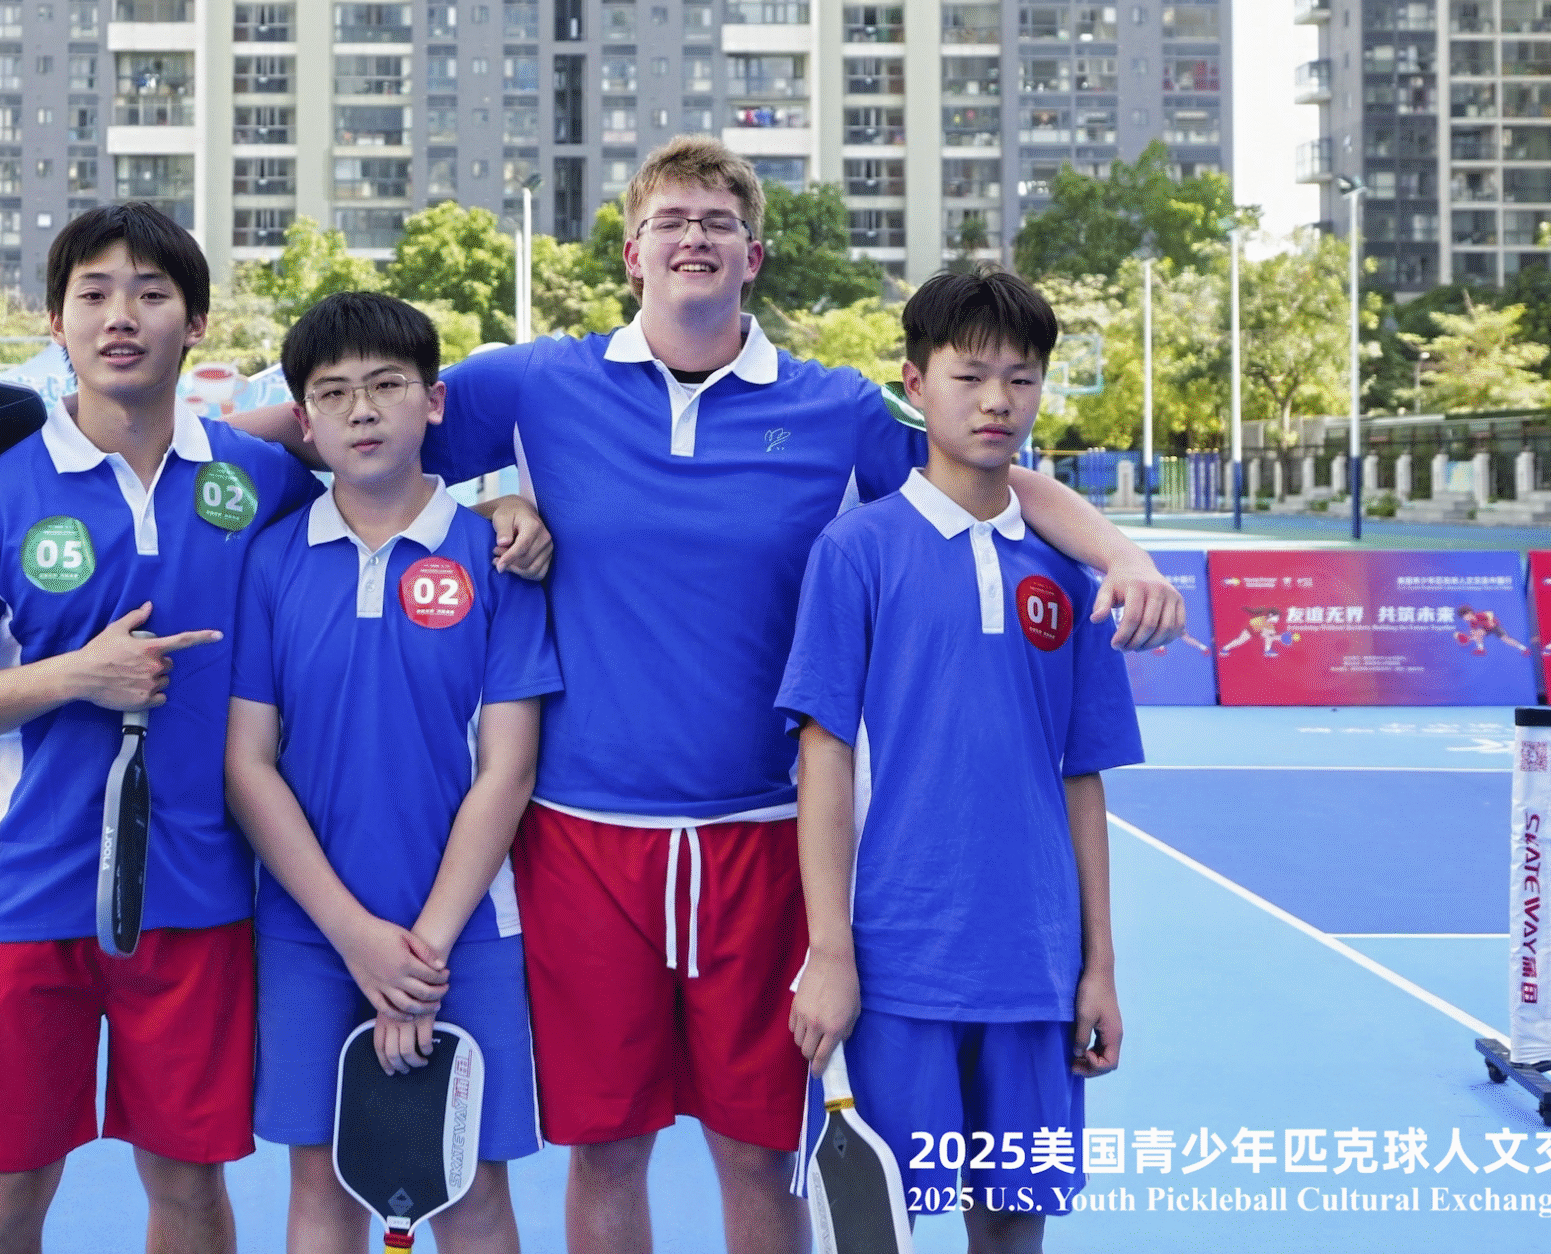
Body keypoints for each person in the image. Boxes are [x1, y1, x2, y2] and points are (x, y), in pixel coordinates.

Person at [232, 139, 1182, 1254]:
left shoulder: (830, 408)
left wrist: (1119, 552)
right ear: (631, 252)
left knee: (756, 1147)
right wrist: (469, 508)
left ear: (753, 255)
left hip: (761, 838)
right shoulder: (538, 384)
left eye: (718, 221)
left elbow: (985, 461)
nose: (694, 236)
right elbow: (334, 430)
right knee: (609, 1146)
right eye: (671, 219)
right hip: (585, 837)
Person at [0, 203, 548, 1254]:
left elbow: (356, 453)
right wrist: (78, 675)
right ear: (55, 323)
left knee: (191, 1188)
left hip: (199, 897)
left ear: (194, 323)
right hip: (23, 891)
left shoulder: (256, 481)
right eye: (93, 295)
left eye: (150, 294)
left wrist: (500, 506)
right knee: (6, 1193)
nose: (121, 316)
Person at [781, 267, 1142, 1253]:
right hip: (899, 964)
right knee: (878, 1228)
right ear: (913, 381)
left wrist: (1098, 965)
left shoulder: (1067, 574)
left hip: (1033, 964)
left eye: (1020, 379)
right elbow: (824, 757)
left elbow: (1080, 776)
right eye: (970, 374)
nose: (995, 401)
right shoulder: (855, 552)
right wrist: (830, 950)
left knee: (1012, 1224)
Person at [226, 292, 558, 1254]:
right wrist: (355, 937)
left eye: (385, 386)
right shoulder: (272, 561)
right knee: (320, 1194)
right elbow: (249, 765)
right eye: (333, 393)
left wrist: (421, 954)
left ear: (435, 402)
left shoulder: (499, 557)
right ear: (305, 423)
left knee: (470, 1191)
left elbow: (510, 766)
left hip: (468, 933)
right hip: (306, 931)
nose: (362, 410)